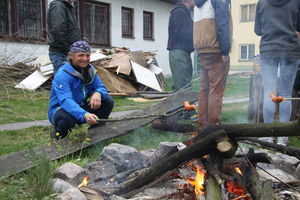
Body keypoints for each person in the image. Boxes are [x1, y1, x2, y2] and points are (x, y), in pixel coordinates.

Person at [254, 0, 300, 145]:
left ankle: (268, 134)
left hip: (268, 50)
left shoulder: (261, 3)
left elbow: (257, 30)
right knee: (286, 94)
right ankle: (282, 137)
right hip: (290, 50)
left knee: (269, 92)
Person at [48, 41, 114, 140]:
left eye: (88, 55)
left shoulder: (90, 70)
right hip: (61, 109)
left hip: (80, 106)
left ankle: (95, 134)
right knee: (66, 119)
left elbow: (101, 87)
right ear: (71, 55)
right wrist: (84, 114)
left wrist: (98, 93)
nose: (85, 59)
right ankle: (59, 136)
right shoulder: (62, 74)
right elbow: (66, 100)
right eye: (81, 55)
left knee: (108, 101)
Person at [194, 0, 232, 129]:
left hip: (202, 49)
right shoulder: (217, 1)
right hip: (215, 49)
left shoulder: (198, 3)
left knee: (204, 89)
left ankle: (203, 125)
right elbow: (222, 24)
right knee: (216, 89)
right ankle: (213, 127)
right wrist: (225, 51)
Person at [167, 0, 195, 91]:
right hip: (178, 52)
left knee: (185, 83)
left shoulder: (184, 12)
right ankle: (182, 104)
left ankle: (186, 104)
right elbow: (178, 32)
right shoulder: (179, 12)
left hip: (183, 51)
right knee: (182, 86)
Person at [47, 0, 81, 74]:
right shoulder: (58, 6)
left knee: (69, 79)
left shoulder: (67, 7)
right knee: (62, 80)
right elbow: (58, 30)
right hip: (61, 52)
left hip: (67, 51)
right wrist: (68, 49)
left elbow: (71, 31)